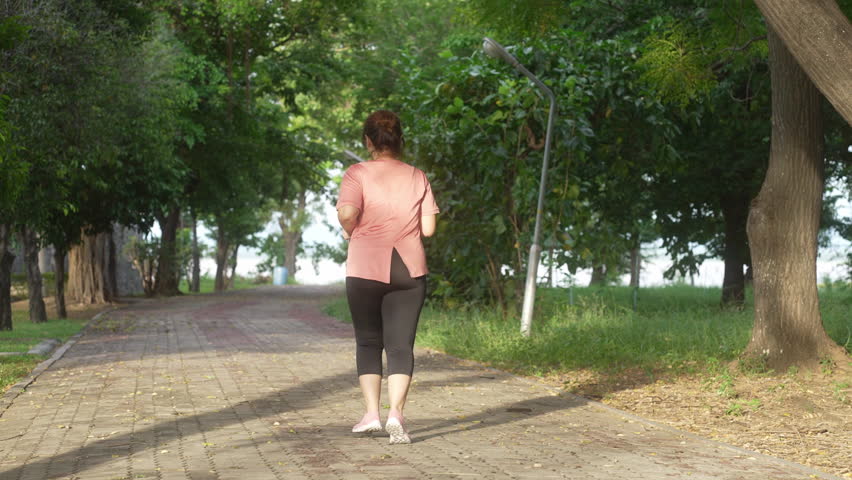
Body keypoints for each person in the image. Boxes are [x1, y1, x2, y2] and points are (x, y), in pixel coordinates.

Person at [336, 110, 439, 445]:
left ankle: (371, 414)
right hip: (408, 269)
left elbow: (347, 214)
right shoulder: (418, 176)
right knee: (400, 345)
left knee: (368, 341)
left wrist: (352, 229)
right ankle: (396, 413)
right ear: (400, 140)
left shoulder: (356, 174)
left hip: (365, 265)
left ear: (368, 141)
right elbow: (428, 228)